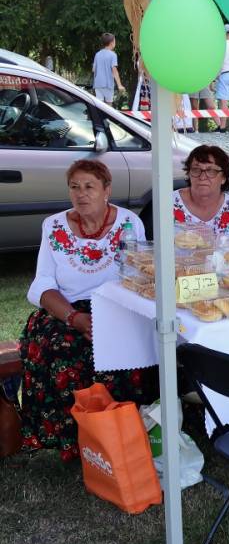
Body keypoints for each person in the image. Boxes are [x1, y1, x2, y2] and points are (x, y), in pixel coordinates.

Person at [20, 160, 156, 461]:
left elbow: (139, 275)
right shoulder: (54, 225)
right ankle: (74, 440)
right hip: (67, 307)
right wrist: (74, 317)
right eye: (75, 187)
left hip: (118, 305)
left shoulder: (129, 222)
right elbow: (43, 282)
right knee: (60, 347)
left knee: (123, 345)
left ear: (107, 190)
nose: (81, 194)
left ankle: (122, 432)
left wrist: (111, 318)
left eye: (89, 186)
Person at [173, 145, 229, 237]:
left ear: (223, 177)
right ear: (189, 174)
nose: (202, 177)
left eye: (211, 171)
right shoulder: (167, 204)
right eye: (196, 170)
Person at [92, 32, 125, 105]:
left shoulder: (97, 54)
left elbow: (94, 70)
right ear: (111, 43)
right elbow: (114, 70)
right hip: (108, 84)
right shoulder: (113, 55)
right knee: (108, 106)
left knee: (99, 106)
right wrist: (119, 85)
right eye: (115, 41)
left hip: (98, 84)